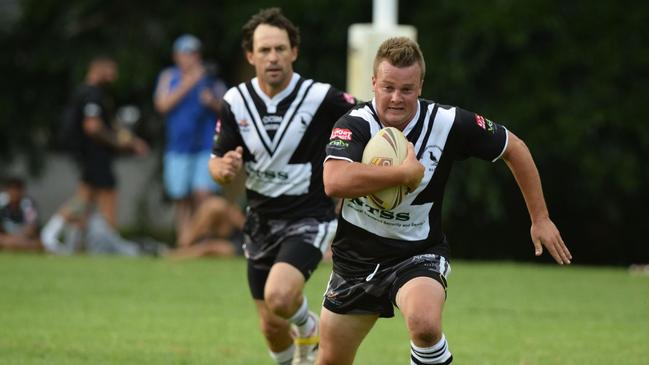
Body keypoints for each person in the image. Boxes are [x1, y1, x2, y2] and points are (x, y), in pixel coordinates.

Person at [316, 37, 572, 365]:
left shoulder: (448, 123)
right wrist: (403, 174)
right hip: (355, 261)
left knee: (424, 324)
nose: (396, 98)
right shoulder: (354, 124)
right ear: (374, 83)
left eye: (407, 89)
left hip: (417, 253)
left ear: (421, 85)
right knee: (331, 360)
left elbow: (515, 147)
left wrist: (540, 218)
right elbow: (334, 181)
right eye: (388, 87)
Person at [209, 8, 356, 365]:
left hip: (310, 216)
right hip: (260, 221)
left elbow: (365, 121)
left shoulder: (322, 97)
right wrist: (223, 170)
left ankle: (308, 326)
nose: (272, 57)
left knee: (280, 297)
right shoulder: (235, 101)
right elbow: (216, 161)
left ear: (294, 52)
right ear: (250, 56)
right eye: (264, 50)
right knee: (270, 325)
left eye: (279, 49)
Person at [41, 55, 148, 248]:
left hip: (86, 154)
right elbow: (93, 127)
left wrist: (131, 141)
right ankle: (108, 241)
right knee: (107, 193)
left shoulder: (87, 92)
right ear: (98, 69)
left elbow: (109, 125)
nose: (114, 76)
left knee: (85, 197)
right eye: (110, 70)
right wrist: (119, 144)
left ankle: (55, 235)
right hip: (94, 153)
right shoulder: (92, 94)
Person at [154, 34, 226, 246]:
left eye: (194, 53)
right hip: (178, 146)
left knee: (202, 193)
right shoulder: (169, 77)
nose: (190, 58)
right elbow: (162, 105)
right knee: (181, 197)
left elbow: (228, 108)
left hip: (205, 144)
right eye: (185, 54)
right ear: (176, 56)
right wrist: (189, 83)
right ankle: (183, 242)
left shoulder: (210, 77)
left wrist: (212, 101)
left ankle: (202, 240)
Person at [169, 195, 245, 259]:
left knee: (209, 248)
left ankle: (176, 254)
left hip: (245, 243)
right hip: (236, 229)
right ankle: (182, 245)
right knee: (214, 205)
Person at [0, 176, 42, 252]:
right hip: (6, 238)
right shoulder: (1, 203)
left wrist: (17, 240)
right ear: (7, 191)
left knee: (38, 244)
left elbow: (32, 227)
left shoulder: (28, 204)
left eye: (17, 190)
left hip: (24, 239)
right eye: (12, 189)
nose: (15, 193)